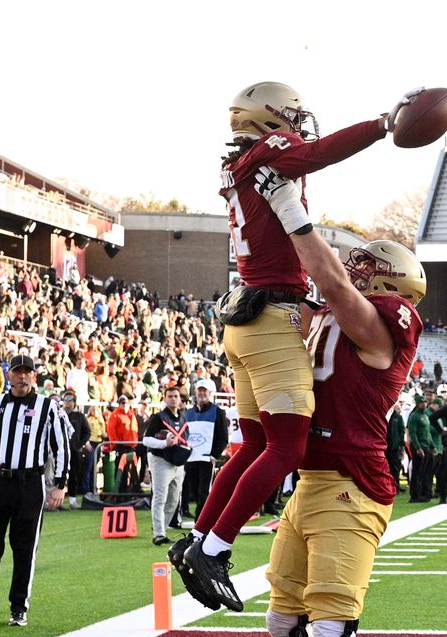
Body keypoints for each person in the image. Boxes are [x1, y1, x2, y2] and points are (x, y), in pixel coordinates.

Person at [175, 82, 419, 608]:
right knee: (287, 447)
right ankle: (213, 549)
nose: (298, 125)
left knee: (258, 446)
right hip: (272, 316)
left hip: (248, 317)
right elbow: (320, 153)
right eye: (289, 116)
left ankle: (197, 538)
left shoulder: (238, 162)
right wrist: (383, 124)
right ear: (267, 118)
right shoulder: (269, 153)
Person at [251, 213, 425, 637]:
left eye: (370, 268)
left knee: (332, 631)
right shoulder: (335, 316)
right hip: (309, 482)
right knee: (285, 623)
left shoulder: (385, 328)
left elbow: (327, 279)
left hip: (352, 486)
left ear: (395, 288)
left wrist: (293, 214)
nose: (357, 269)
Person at [0, 355, 70, 628]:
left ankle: (19, 607)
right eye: (17, 372)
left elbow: (62, 447)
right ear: (9, 375)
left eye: (26, 373)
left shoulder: (47, 407)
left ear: (34, 377)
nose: (22, 377)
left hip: (30, 483)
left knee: (24, 549)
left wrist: (60, 484)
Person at [141, 388, 191, 546]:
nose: (173, 399)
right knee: (160, 497)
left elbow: (185, 438)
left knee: (174, 499)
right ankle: (159, 533)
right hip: (160, 460)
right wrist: (164, 443)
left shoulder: (183, 418)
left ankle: (162, 527)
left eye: (176, 396)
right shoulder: (158, 418)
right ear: (164, 398)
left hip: (177, 462)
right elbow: (146, 440)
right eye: (170, 396)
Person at [180, 379, 229, 521]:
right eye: (199, 390)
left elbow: (223, 437)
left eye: (204, 391)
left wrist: (214, 454)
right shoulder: (188, 412)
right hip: (190, 458)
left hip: (206, 458)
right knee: (192, 490)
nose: (202, 393)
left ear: (210, 393)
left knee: (204, 491)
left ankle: (200, 521)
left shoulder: (217, 412)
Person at [61, 392, 91, 509]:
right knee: (58, 475)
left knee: (74, 475)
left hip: (74, 450)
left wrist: (79, 445)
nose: (67, 402)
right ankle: (56, 501)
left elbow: (87, 432)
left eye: (70, 400)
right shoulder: (59, 414)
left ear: (74, 402)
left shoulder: (79, 416)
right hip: (60, 450)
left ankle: (72, 500)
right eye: (66, 400)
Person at [406, 395, 435, 502]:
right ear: (418, 404)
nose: (424, 404)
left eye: (425, 402)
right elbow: (413, 433)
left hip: (426, 446)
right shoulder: (414, 416)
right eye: (422, 402)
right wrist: (417, 447)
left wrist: (433, 446)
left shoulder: (425, 416)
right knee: (417, 472)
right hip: (419, 446)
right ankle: (414, 495)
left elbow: (428, 433)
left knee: (424, 471)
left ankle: (422, 493)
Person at [385, 400, 406, 493]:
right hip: (385, 446)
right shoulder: (384, 416)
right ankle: (388, 486)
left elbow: (402, 431)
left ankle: (395, 486)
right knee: (387, 467)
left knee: (395, 467)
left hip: (394, 446)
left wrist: (401, 445)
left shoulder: (397, 417)